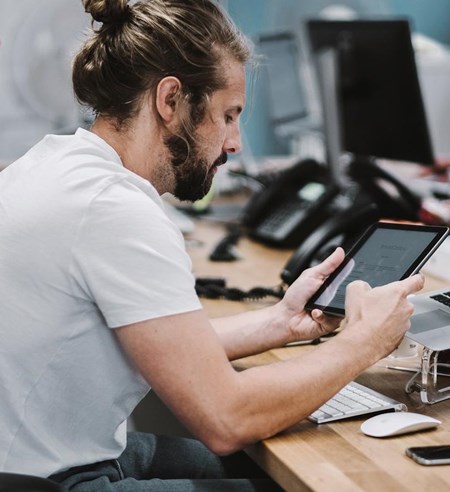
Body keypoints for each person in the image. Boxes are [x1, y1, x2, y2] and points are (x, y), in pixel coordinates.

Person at [0, 0, 424, 490]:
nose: (235, 142)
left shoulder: (56, 163)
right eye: (228, 115)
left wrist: (280, 322)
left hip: (29, 458)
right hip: (52, 478)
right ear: (170, 100)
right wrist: (362, 343)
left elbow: (157, 343)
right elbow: (227, 419)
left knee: (250, 470)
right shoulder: (115, 210)